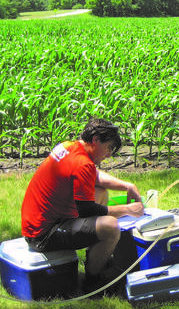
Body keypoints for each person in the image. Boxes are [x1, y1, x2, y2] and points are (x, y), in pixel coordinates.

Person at [21, 118, 144, 287]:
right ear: (95, 140)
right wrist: (128, 209)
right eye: (108, 147)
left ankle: (96, 257)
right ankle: (93, 281)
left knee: (100, 192)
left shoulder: (69, 146)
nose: (109, 154)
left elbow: (94, 175)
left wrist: (128, 186)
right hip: (43, 235)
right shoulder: (83, 164)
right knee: (110, 226)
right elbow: (86, 210)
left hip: (35, 225)